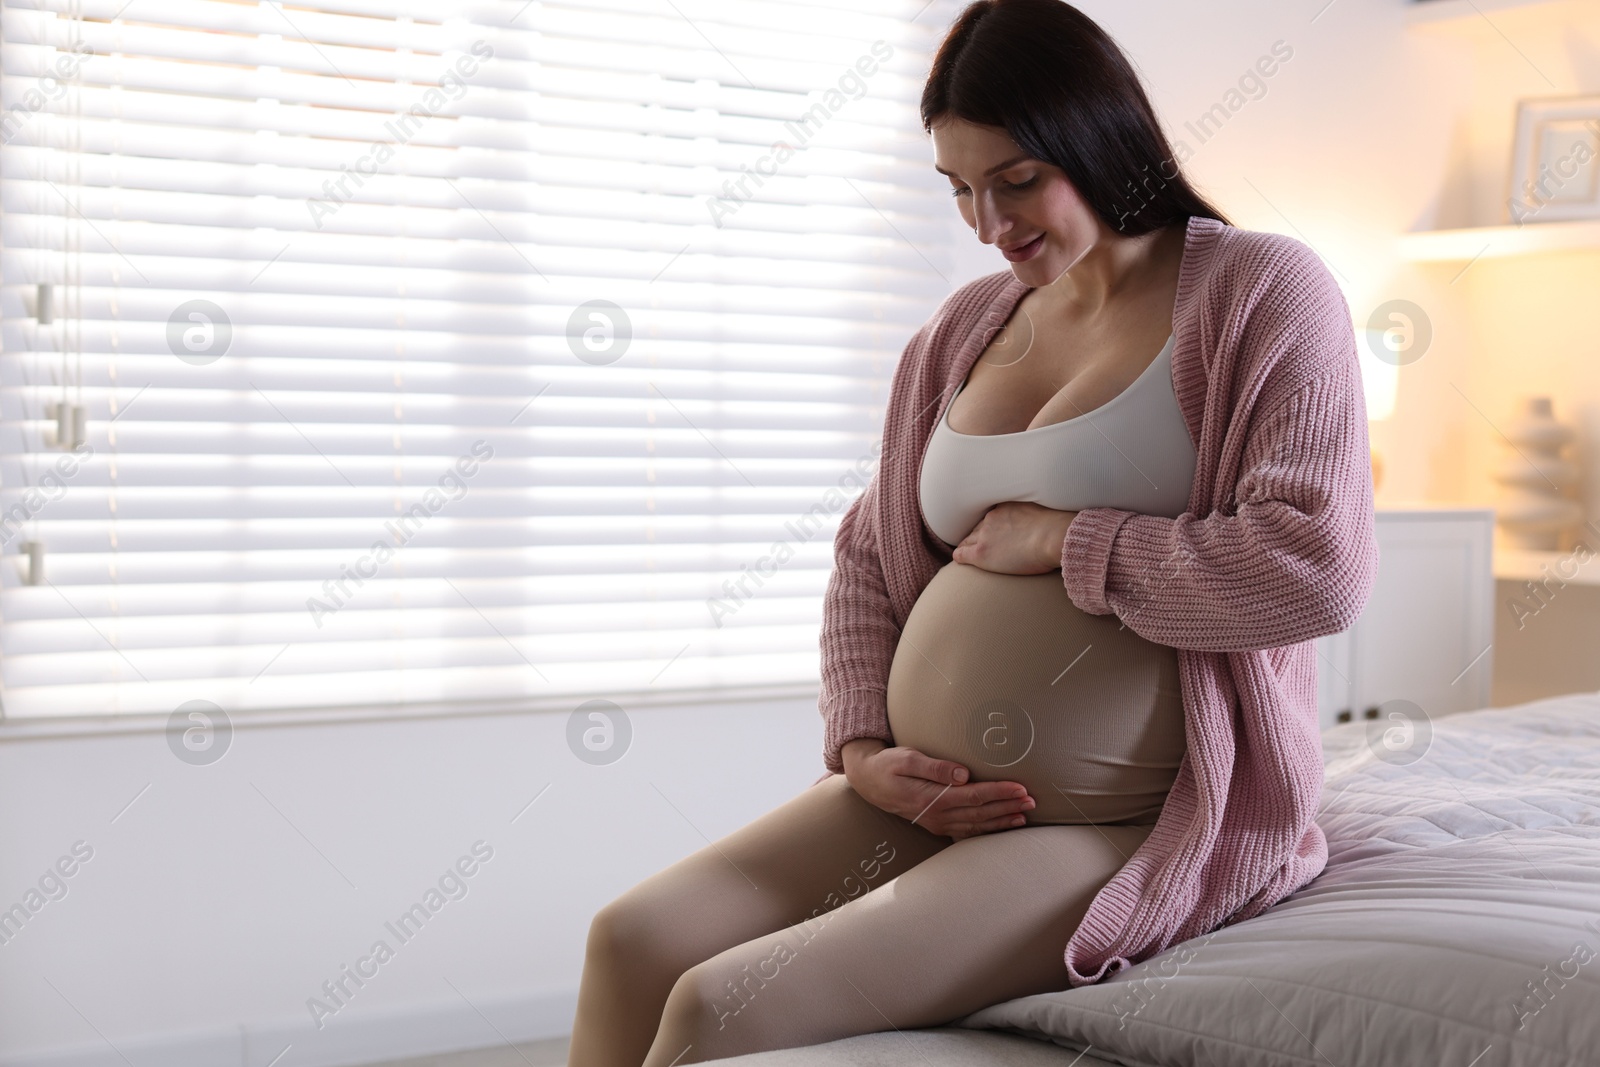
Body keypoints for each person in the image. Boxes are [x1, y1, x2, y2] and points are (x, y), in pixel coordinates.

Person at [565, 1, 1379, 1064]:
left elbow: (1312, 570)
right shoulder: (959, 332)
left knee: (724, 1007)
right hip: (923, 795)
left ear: (1099, 137)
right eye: (957, 189)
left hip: (1116, 819)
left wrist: (1072, 542)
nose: (989, 225)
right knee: (631, 940)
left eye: (1015, 180)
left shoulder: (1258, 291)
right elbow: (867, 554)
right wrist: (863, 749)